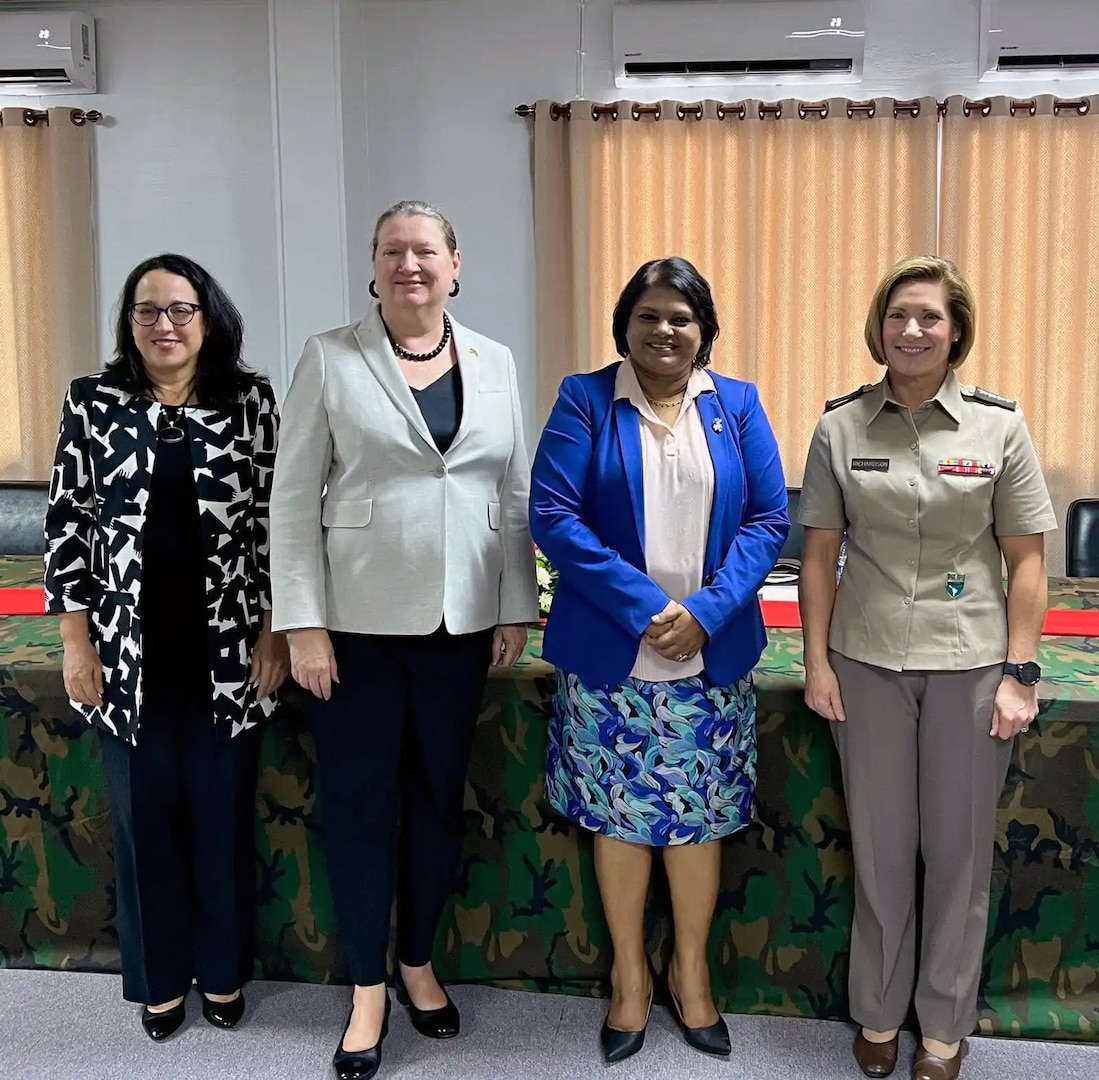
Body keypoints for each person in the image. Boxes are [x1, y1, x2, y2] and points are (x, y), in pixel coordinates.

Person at [269, 201, 539, 1080]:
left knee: (433, 802)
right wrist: (301, 623)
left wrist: (512, 604)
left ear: (456, 265)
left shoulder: (495, 362)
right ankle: (366, 988)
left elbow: (510, 496)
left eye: (426, 251)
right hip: (351, 633)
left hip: (458, 629)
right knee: (357, 809)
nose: (409, 265)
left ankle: (416, 960)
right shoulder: (329, 357)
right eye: (393, 251)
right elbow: (292, 501)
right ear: (374, 267)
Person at [797, 256, 1057, 1080]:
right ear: (877, 325)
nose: (911, 331)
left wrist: (1021, 672)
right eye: (897, 315)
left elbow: (1024, 562)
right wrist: (814, 662)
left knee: (955, 858)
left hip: (971, 663)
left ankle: (942, 1026)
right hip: (865, 661)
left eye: (929, 318)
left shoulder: (998, 426)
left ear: (955, 332)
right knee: (877, 853)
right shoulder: (840, 427)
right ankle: (876, 1012)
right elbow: (817, 557)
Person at [529, 257, 789, 1065]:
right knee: (618, 820)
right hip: (615, 653)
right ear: (625, 326)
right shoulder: (584, 399)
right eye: (648, 316)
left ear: (703, 329)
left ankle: (690, 975)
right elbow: (553, 515)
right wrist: (647, 609)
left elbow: (770, 518)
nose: (664, 330)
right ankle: (629, 983)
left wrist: (706, 614)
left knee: (698, 822)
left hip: (708, 657)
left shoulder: (736, 404)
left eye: (680, 317)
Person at [44, 253, 287, 1040]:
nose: (165, 325)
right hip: (127, 655)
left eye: (180, 310)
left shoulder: (249, 400)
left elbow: (280, 525)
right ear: (129, 323)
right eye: (148, 311)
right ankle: (158, 981)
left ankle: (221, 973)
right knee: (143, 822)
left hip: (228, 651)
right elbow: (67, 526)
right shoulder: (94, 402)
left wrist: (275, 628)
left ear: (207, 318)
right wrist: (77, 643)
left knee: (219, 817)